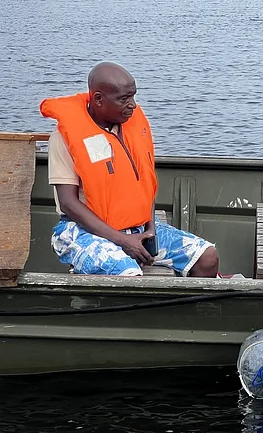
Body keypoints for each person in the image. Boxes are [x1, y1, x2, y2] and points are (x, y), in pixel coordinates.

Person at [40, 62, 220, 277]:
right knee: (127, 273)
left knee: (207, 257)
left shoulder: (134, 129)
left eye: (133, 96)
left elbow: (145, 185)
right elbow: (69, 204)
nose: (133, 105)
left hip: (137, 228)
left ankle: (190, 310)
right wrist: (122, 241)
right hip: (81, 230)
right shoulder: (64, 138)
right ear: (98, 99)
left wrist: (150, 228)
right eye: (124, 99)